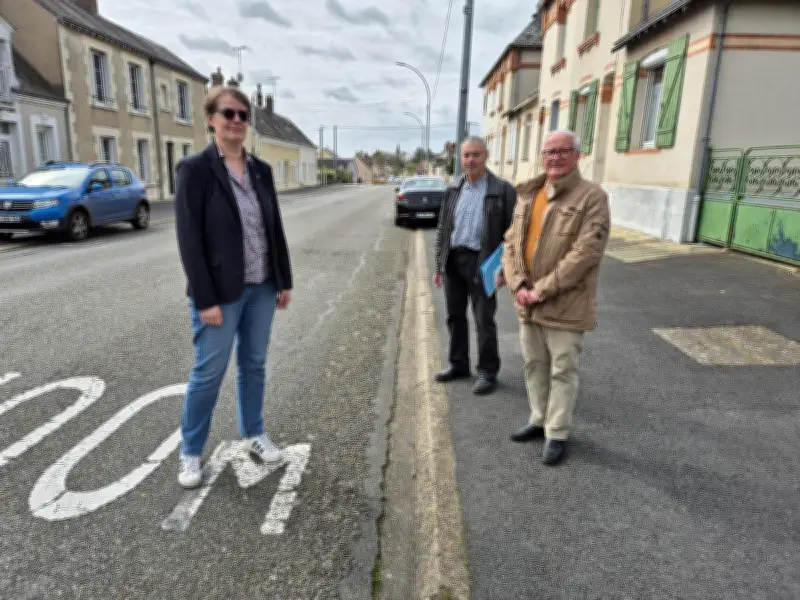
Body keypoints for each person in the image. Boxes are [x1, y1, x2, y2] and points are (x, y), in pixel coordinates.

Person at [174, 85, 293, 489]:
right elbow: (190, 241)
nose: (237, 121)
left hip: (262, 286)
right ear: (211, 119)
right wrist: (205, 299)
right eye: (229, 113)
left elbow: (272, 227)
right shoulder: (195, 170)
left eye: (244, 114)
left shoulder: (262, 170)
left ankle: (254, 432)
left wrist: (284, 280)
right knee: (208, 373)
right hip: (219, 295)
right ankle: (191, 452)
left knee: (254, 364)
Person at [499, 129, 610, 465]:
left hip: (564, 302)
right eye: (549, 152)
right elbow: (510, 243)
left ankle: (557, 432)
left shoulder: (592, 197)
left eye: (563, 151)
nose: (555, 157)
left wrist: (540, 290)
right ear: (542, 157)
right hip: (527, 301)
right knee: (534, 364)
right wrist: (518, 284)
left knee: (563, 369)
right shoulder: (529, 195)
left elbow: (585, 253)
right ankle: (538, 418)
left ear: (577, 156)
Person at [432, 136, 517, 395]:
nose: (471, 160)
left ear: (486, 156)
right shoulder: (452, 189)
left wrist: (504, 269)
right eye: (467, 155)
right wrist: (439, 266)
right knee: (455, 317)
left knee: (484, 320)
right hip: (454, 261)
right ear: (461, 158)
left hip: (485, 263)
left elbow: (513, 235)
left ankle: (488, 371)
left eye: (476, 154)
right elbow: (443, 229)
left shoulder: (502, 190)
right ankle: (458, 364)